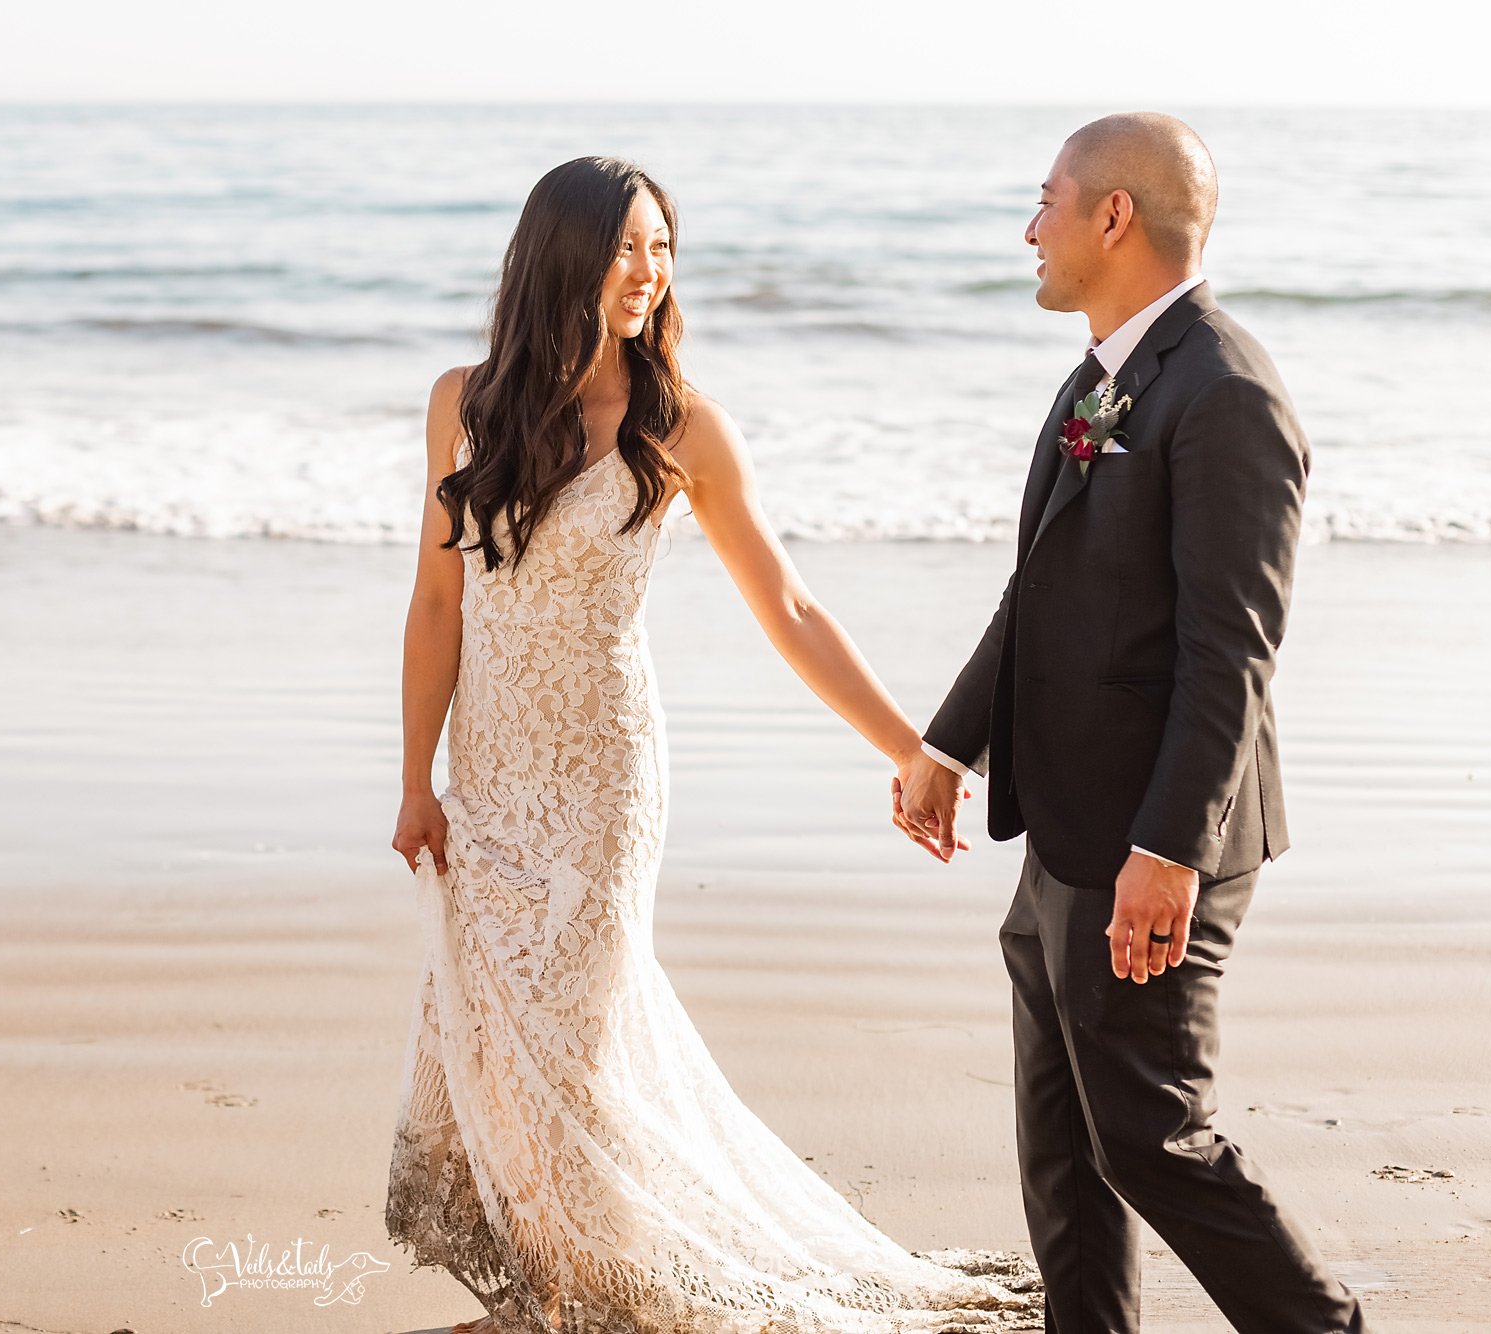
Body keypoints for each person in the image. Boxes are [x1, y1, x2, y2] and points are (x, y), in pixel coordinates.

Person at [385, 156, 1038, 1334]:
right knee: (496, 1041)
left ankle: (592, 1295)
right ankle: (558, 1287)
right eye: (628, 246)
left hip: (601, 779)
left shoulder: (678, 424)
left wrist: (912, 747)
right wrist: (412, 778)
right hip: (486, 776)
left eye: (662, 248)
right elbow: (437, 606)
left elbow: (786, 606)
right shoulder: (461, 400)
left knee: (573, 1045)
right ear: (560, 256)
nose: (649, 271)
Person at [895, 112, 1373, 1333]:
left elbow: (1231, 656)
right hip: (1066, 827)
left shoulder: (1223, 394)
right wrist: (947, 744)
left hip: (1158, 838)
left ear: (1114, 216)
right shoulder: (1100, 375)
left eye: (1045, 200)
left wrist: (1165, 852)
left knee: (1150, 1137)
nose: (1029, 227)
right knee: (1063, 1142)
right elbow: (1040, 590)